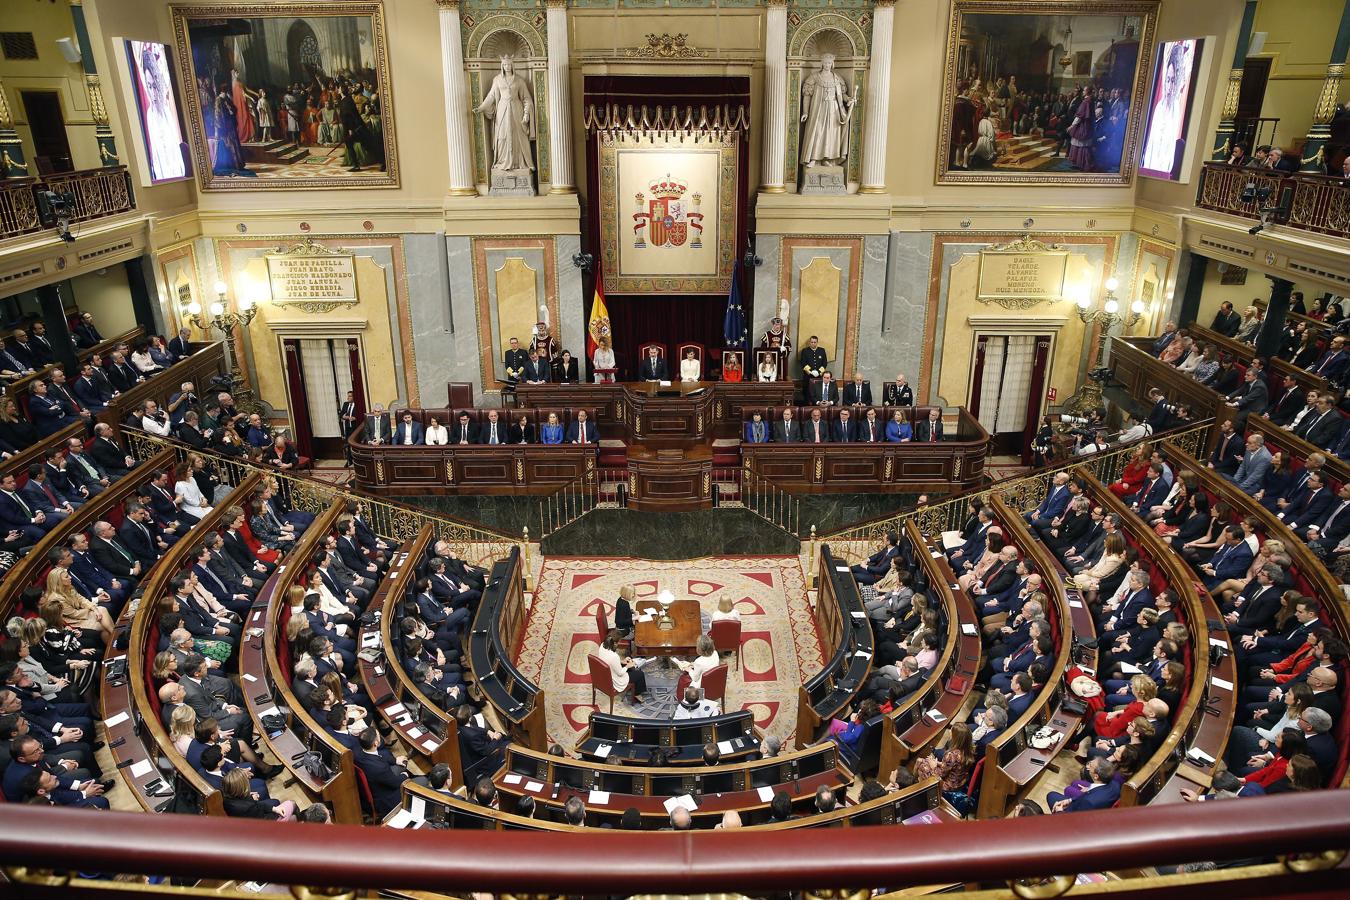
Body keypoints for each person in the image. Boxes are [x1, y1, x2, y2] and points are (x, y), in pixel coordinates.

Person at [595, 631, 646, 702]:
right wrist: (627, 666)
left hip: (608, 672)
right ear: (615, 643)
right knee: (640, 674)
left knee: (631, 667)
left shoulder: (602, 645)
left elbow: (610, 660)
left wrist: (622, 661)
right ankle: (637, 694)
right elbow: (620, 673)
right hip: (615, 679)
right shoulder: (614, 656)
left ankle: (633, 685)